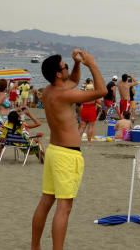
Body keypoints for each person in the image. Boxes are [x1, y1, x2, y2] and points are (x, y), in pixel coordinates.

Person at [31, 50, 106, 250]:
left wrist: (76, 63)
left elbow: (72, 80)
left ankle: (35, 246)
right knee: (64, 207)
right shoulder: (65, 94)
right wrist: (92, 63)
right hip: (66, 154)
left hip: (54, 150)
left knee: (46, 200)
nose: (66, 68)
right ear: (57, 74)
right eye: (64, 66)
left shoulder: (48, 91)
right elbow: (102, 92)